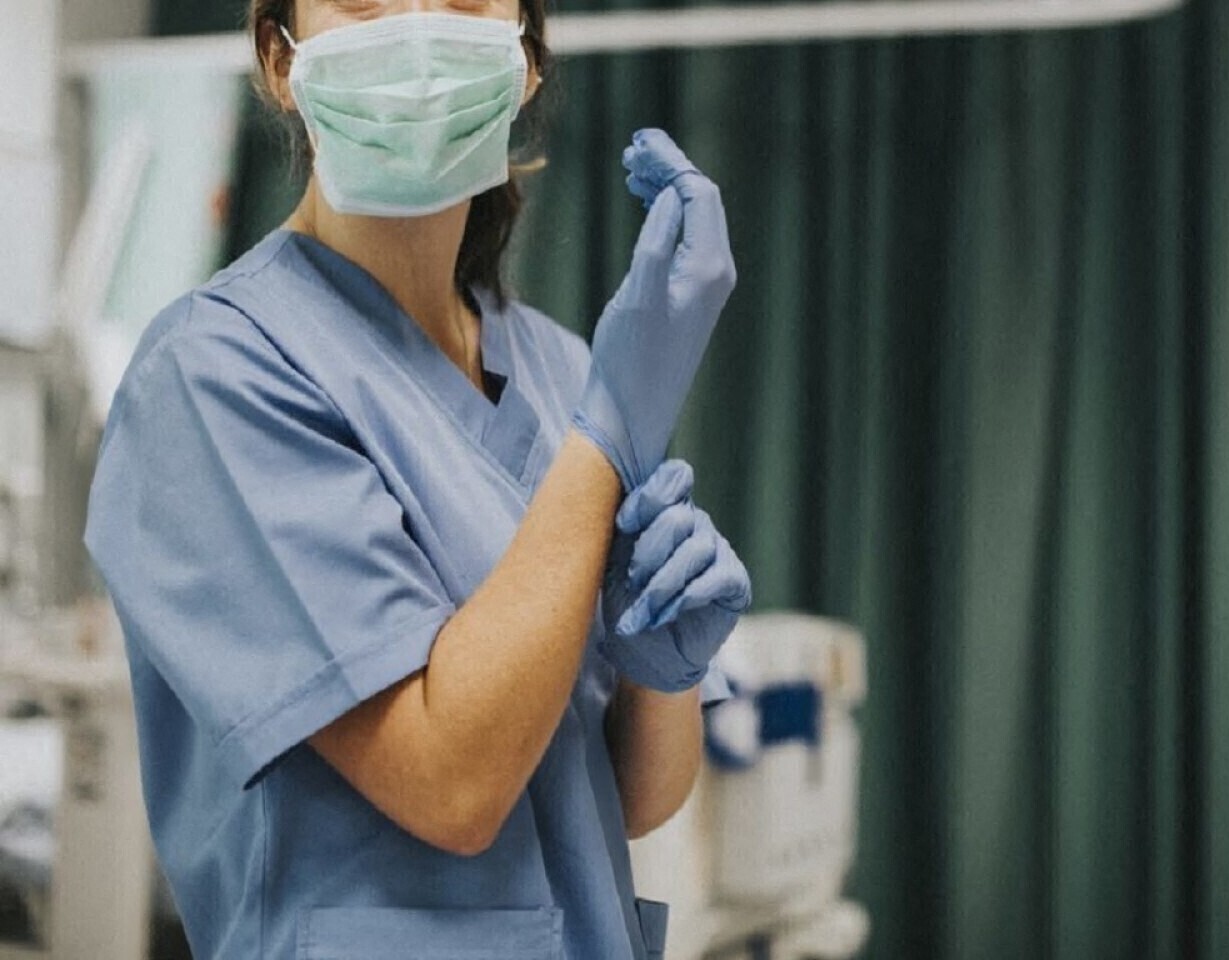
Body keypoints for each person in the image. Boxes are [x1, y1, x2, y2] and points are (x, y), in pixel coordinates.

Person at [83, 1, 750, 958]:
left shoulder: (564, 370)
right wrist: (605, 437)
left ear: (523, 59)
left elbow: (637, 799)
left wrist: (666, 675)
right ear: (280, 60)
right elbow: (453, 783)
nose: (421, 28)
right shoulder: (214, 374)